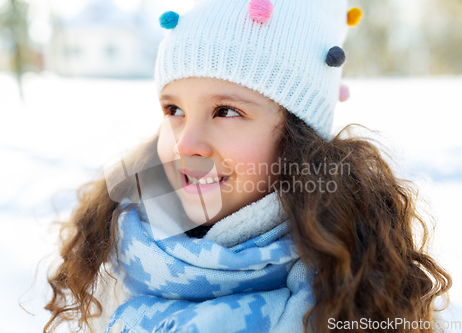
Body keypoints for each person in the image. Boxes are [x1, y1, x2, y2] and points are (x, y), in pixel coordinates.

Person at [43, 0, 451, 332]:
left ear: (300, 138)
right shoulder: (117, 251)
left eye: (226, 111)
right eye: (174, 109)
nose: (186, 142)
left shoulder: (358, 285)